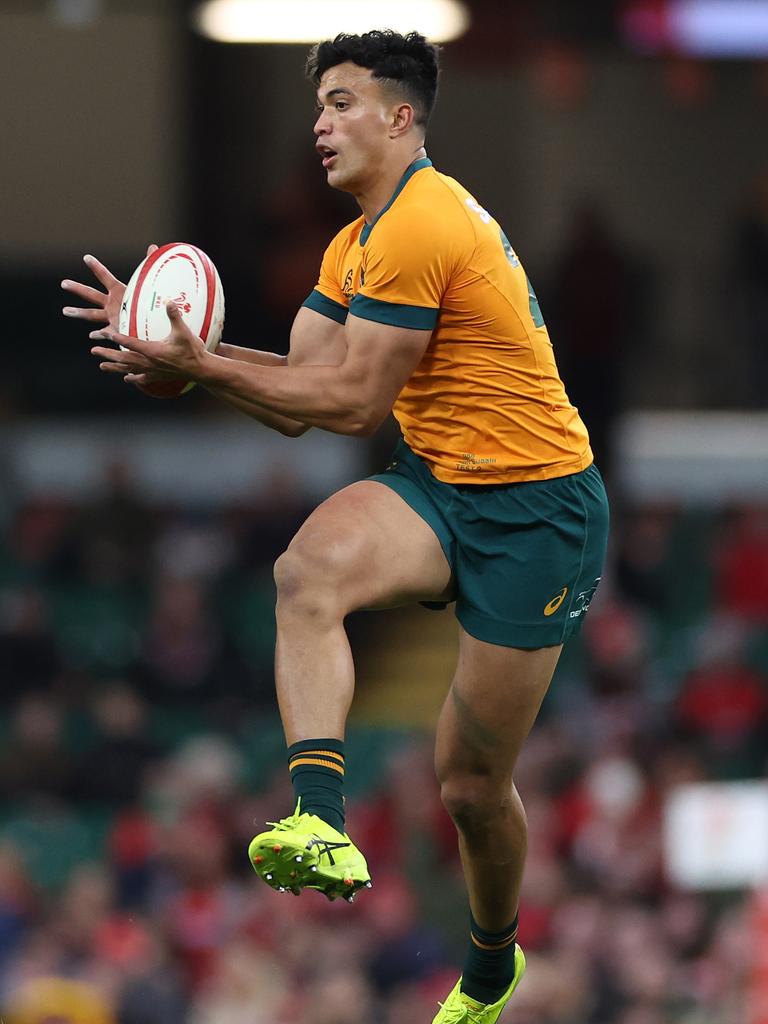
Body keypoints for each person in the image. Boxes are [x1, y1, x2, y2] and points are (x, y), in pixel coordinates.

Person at [61, 29, 609, 1024]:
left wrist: (200, 365)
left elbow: (352, 404)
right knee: (304, 570)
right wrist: (185, 351)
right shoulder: (352, 244)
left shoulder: (423, 222)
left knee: (469, 786)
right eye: (319, 105)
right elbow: (295, 395)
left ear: (402, 118)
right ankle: (320, 819)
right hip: (443, 485)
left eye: (344, 102)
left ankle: (491, 968)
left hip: (540, 510)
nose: (320, 124)